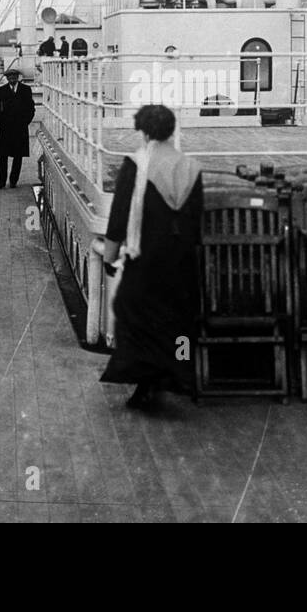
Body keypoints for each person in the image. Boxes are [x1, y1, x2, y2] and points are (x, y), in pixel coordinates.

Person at [99, 105, 203, 410]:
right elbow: (195, 220)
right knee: (172, 319)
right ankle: (174, 375)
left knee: (129, 310)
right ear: (171, 131)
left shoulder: (136, 164)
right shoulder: (189, 167)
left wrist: (110, 254)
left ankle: (146, 380)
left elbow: (119, 216)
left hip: (145, 258)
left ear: (144, 131)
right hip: (180, 261)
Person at [0, 68, 34, 188]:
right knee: (3, 156)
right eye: (9, 77)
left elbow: (30, 108)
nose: (12, 78)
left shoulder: (26, 90)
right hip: (6, 128)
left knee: (18, 155)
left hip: (20, 128)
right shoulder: (2, 90)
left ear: (17, 77)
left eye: (14, 76)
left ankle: (13, 181)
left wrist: (25, 122)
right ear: (6, 78)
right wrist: (2, 122)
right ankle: (1, 181)